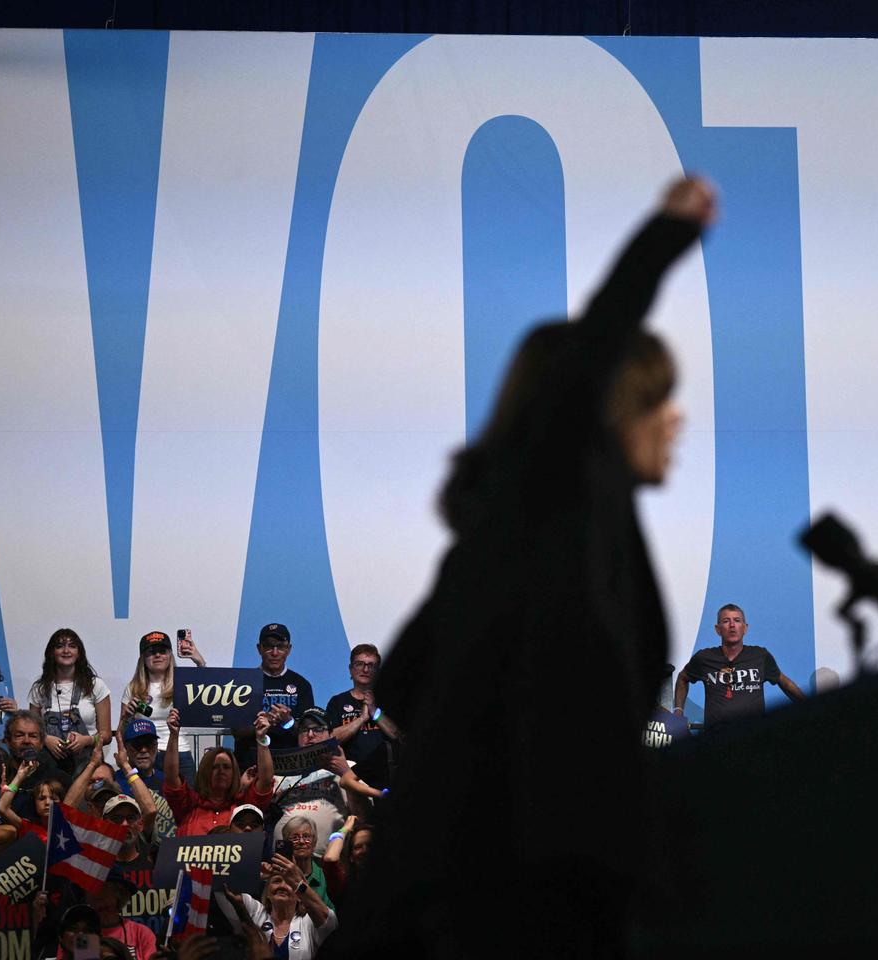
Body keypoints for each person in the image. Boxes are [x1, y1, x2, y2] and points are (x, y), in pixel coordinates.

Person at [370, 177, 716, 957]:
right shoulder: (552, 510)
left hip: (510, 882)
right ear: (607, 407)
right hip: (510, 896)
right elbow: (584, 362)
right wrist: (664, 234)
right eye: (659, 397)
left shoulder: (534, 538)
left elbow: (403, 678)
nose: (678, 417)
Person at [672, 604, 807, 728]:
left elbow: (783, 681)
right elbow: (683, 678)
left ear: (745, 628)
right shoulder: (704, 658)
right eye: (726, 621)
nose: (732, 625)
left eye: (737, 620)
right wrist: (678, 711)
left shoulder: (760, 655)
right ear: (717, 629)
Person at [271, 707, 382, 839]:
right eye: (304, 730)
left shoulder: (350, 768)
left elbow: (364, 817)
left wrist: (345, 774)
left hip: (330, 856)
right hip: (281, 856)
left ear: (330, 735)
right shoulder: (281, 772)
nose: (310, 734)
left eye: (318, 729)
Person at [163, 708, 274, 835]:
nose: (221, 771)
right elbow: (171, 778)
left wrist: (261, 737)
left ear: (234, 773)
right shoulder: (188, 804)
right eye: (214, 767)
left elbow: (265, 781)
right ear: (204, 771)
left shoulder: (243, 805)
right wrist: (173, 735)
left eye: (226, 767)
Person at [120, 631, 202, 783]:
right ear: (143, 658)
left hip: (179, 751)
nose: (157, 655)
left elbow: (207, 692)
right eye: (151, 652)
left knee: (184, 804)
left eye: (162, 651)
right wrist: (126, 717)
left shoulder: (182, 683)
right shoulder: (133, 688)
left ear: (170, 655)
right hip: (145, 755)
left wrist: (199, 662)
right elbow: (121, 733)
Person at [28, 628, 112, 775]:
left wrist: (86, 740)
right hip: (50, 766)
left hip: (88, 764)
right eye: (60, 646)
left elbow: (106, 735)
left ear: (79, 653)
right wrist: (46, 739)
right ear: (51, 653)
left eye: (72, 646)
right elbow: (31, 731)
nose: (66, 650)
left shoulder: (95, 685)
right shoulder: (40, 689)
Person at [232, 622, 315, 769]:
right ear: (259, 649)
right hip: (250, 764)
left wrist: (288, 721)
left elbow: (308, 733)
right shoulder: (243, 683)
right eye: (269, 646)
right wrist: (264, 722)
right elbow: (236, 732)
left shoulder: (302, 685)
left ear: (289, 649)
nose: (275, 652)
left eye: (281, 647)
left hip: (289, 765)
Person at [325, 643, 403, 791]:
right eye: (359, 664)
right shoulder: (337, 702)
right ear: (351, 669)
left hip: (387, 775)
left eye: (371, 665)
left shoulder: (389, 700)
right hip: (348, 773)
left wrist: (376, 713)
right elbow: (330, 740)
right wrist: (361, 719)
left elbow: (398, 736)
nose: (365, 669)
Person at [234, 853, 336, 960]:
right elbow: (226, 889)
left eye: (289, 883)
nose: (282, 886)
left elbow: (330, 920)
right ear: (267, 892)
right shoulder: (257, 911)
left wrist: (299, 883)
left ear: (299, 896)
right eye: (277, 881)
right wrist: (253, 873)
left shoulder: (309, 922)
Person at [115, 716, 177, 839]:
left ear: (156, 746)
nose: (143, 750)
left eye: (149, 744)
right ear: (126, 748)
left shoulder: (167, 781)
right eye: (137, 745)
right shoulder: (116, 781)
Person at [91, 872, 157, 960]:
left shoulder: (141, 933)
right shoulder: (83, 934)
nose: (100, 905)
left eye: (106, 903)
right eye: (95, 899)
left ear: (120, 898)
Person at [278, 815, 333, 909]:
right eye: (295, 837)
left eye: (307, 837)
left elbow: (330, 917)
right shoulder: (278, 875)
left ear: (314, 843)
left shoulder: (325, 876)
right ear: (286, 844)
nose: (301, 841)